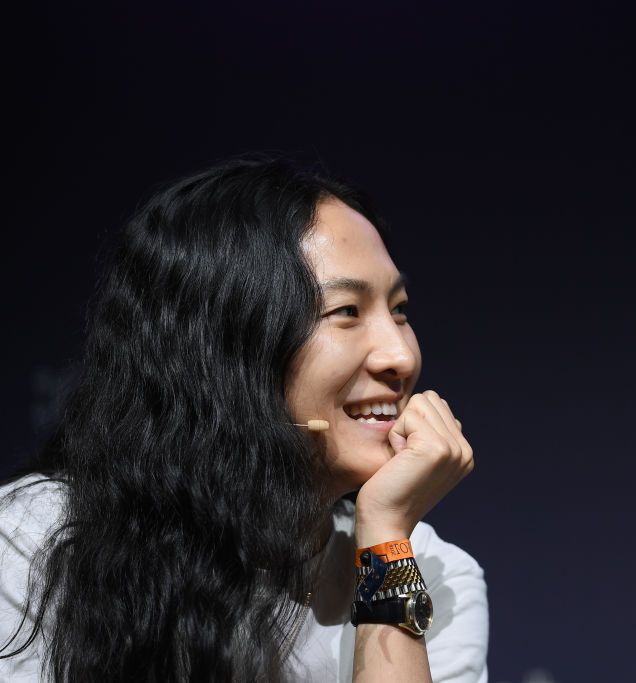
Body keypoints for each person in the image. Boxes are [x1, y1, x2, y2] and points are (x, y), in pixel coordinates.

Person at [0, 157, 487, 682]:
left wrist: (388, 541)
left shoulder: (434, 574)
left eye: (399, 309)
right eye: (346, 311)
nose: (401, 356)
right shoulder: (38, 539)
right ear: (225, 349)